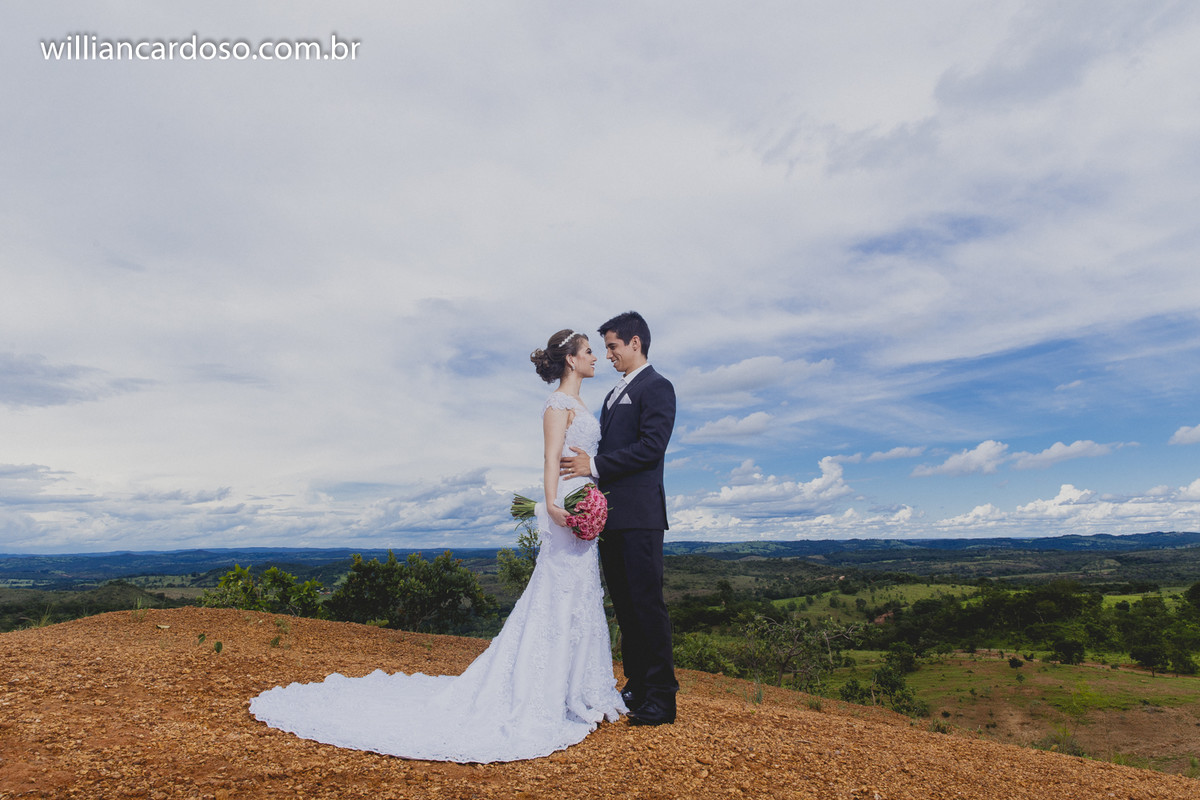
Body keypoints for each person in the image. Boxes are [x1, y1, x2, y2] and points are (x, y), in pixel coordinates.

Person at [248, 329, 626, 762]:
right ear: (571, 360)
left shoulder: (582, 404)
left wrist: (593, 497)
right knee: (558, 592)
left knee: (580, 594)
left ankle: (576, 687)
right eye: (589, 352)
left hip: (585, 503)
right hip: (565, 507)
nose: (596, 357)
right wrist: (551, 504)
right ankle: (545, 689)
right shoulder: (557, 406)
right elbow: (548, 458)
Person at [559, 310, 678, 725]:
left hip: (642, 515)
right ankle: (638, 684)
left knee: (647, 606)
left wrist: (594, 466)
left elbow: (651, 448)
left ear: (635, 343)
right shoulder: (612, 394)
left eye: (612, 346)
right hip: (609, 517)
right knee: (625, 607)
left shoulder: (658, 387)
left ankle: (663, 697)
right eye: (604, 347)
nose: (608, 354)